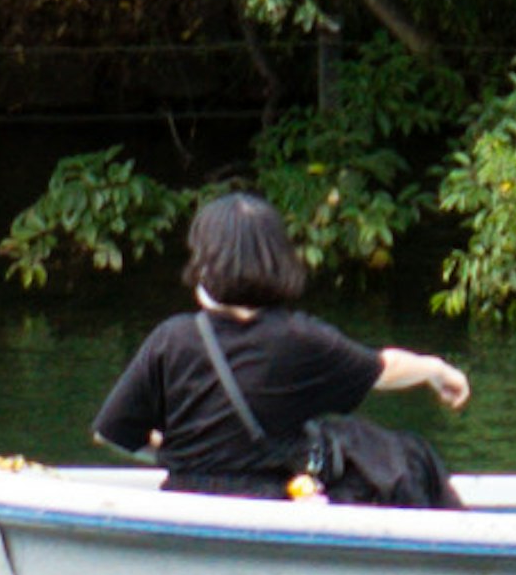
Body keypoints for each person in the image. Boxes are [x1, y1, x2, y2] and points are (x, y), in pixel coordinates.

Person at [92, 188, 470, 499]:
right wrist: (435, 371)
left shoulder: (170, 338)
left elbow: (111, 431)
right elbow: (384, 369)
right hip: (273, 500)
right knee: (407, 456)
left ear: (203, 263)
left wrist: (177, 450)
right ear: (278, 259)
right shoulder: (299, 338)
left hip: (185, 496)